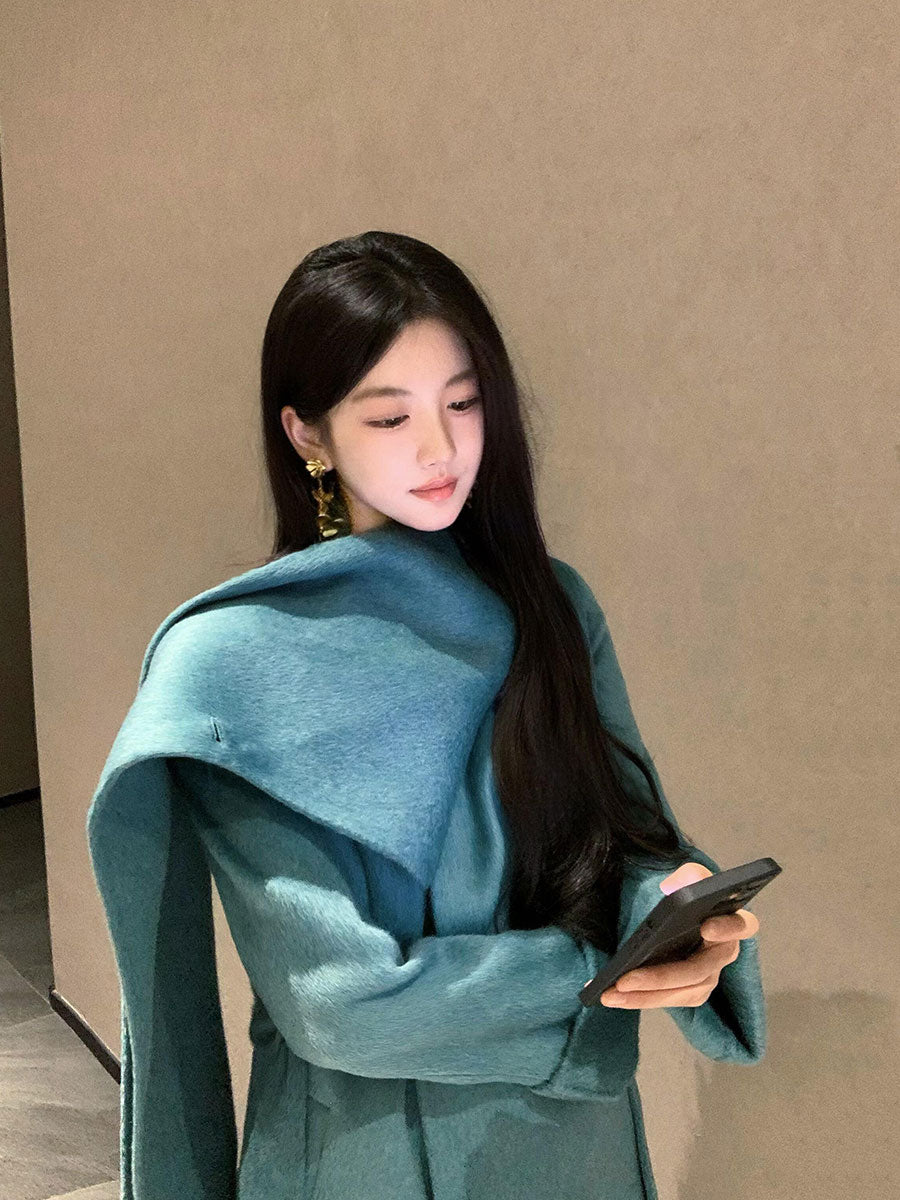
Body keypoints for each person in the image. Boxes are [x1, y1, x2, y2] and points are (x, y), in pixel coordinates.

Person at [86, 230, 766, 1200]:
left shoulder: (551, 607)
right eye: (390, 415)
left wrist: (667, 909)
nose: (441, 448)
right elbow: (340, 1007)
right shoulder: (233, 668)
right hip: (363, 1161)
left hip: (576, 1151)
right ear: (308, 434)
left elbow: (623, 841)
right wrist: (592, 976)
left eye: (463, 402)